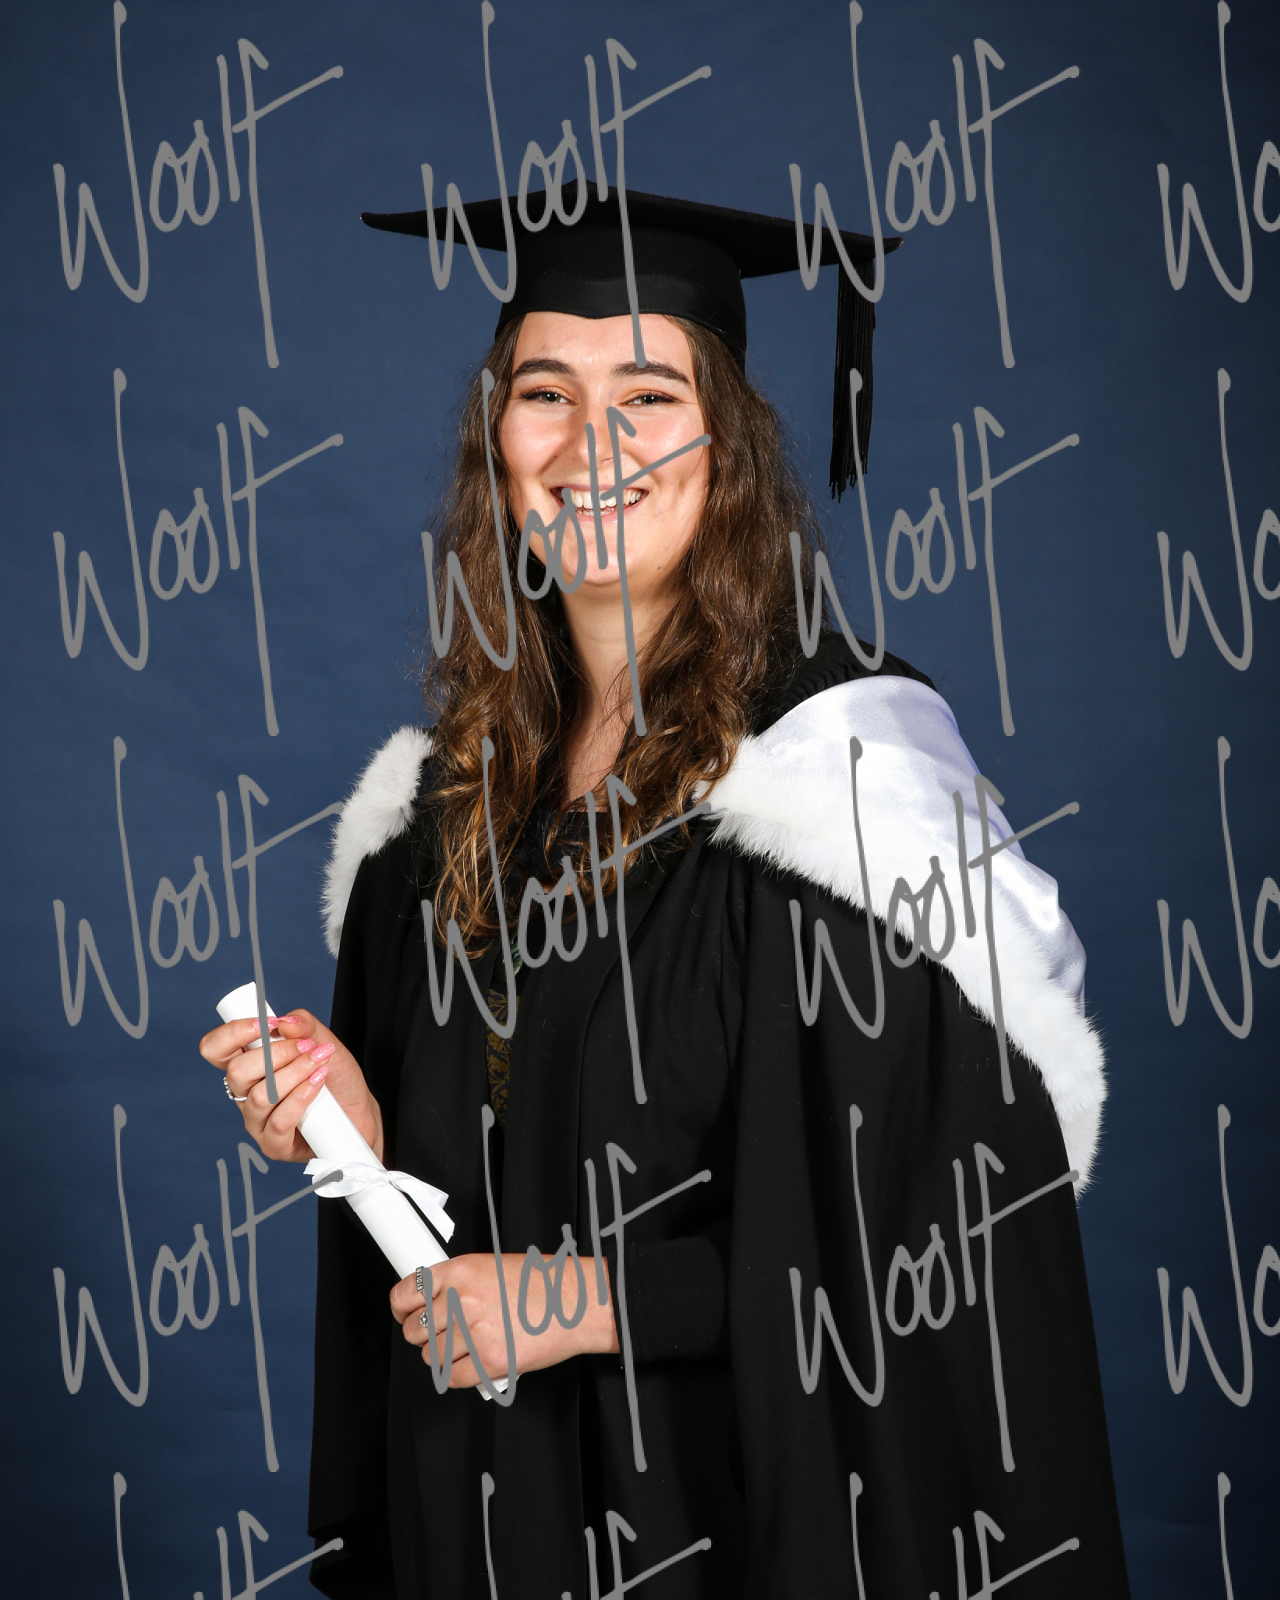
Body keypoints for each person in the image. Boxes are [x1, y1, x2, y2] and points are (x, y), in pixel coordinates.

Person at [200, 188, 1130, 1598]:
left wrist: (586, 1303)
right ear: (496, 439)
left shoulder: (845, 798)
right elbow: (482, 1204)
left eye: (648, 395)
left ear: (727, 446)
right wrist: (363, 1129)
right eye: (545, 393)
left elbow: (929, 1247)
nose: (592, 446)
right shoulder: (449, 804)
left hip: (721, 1521)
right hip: (491, 1519)